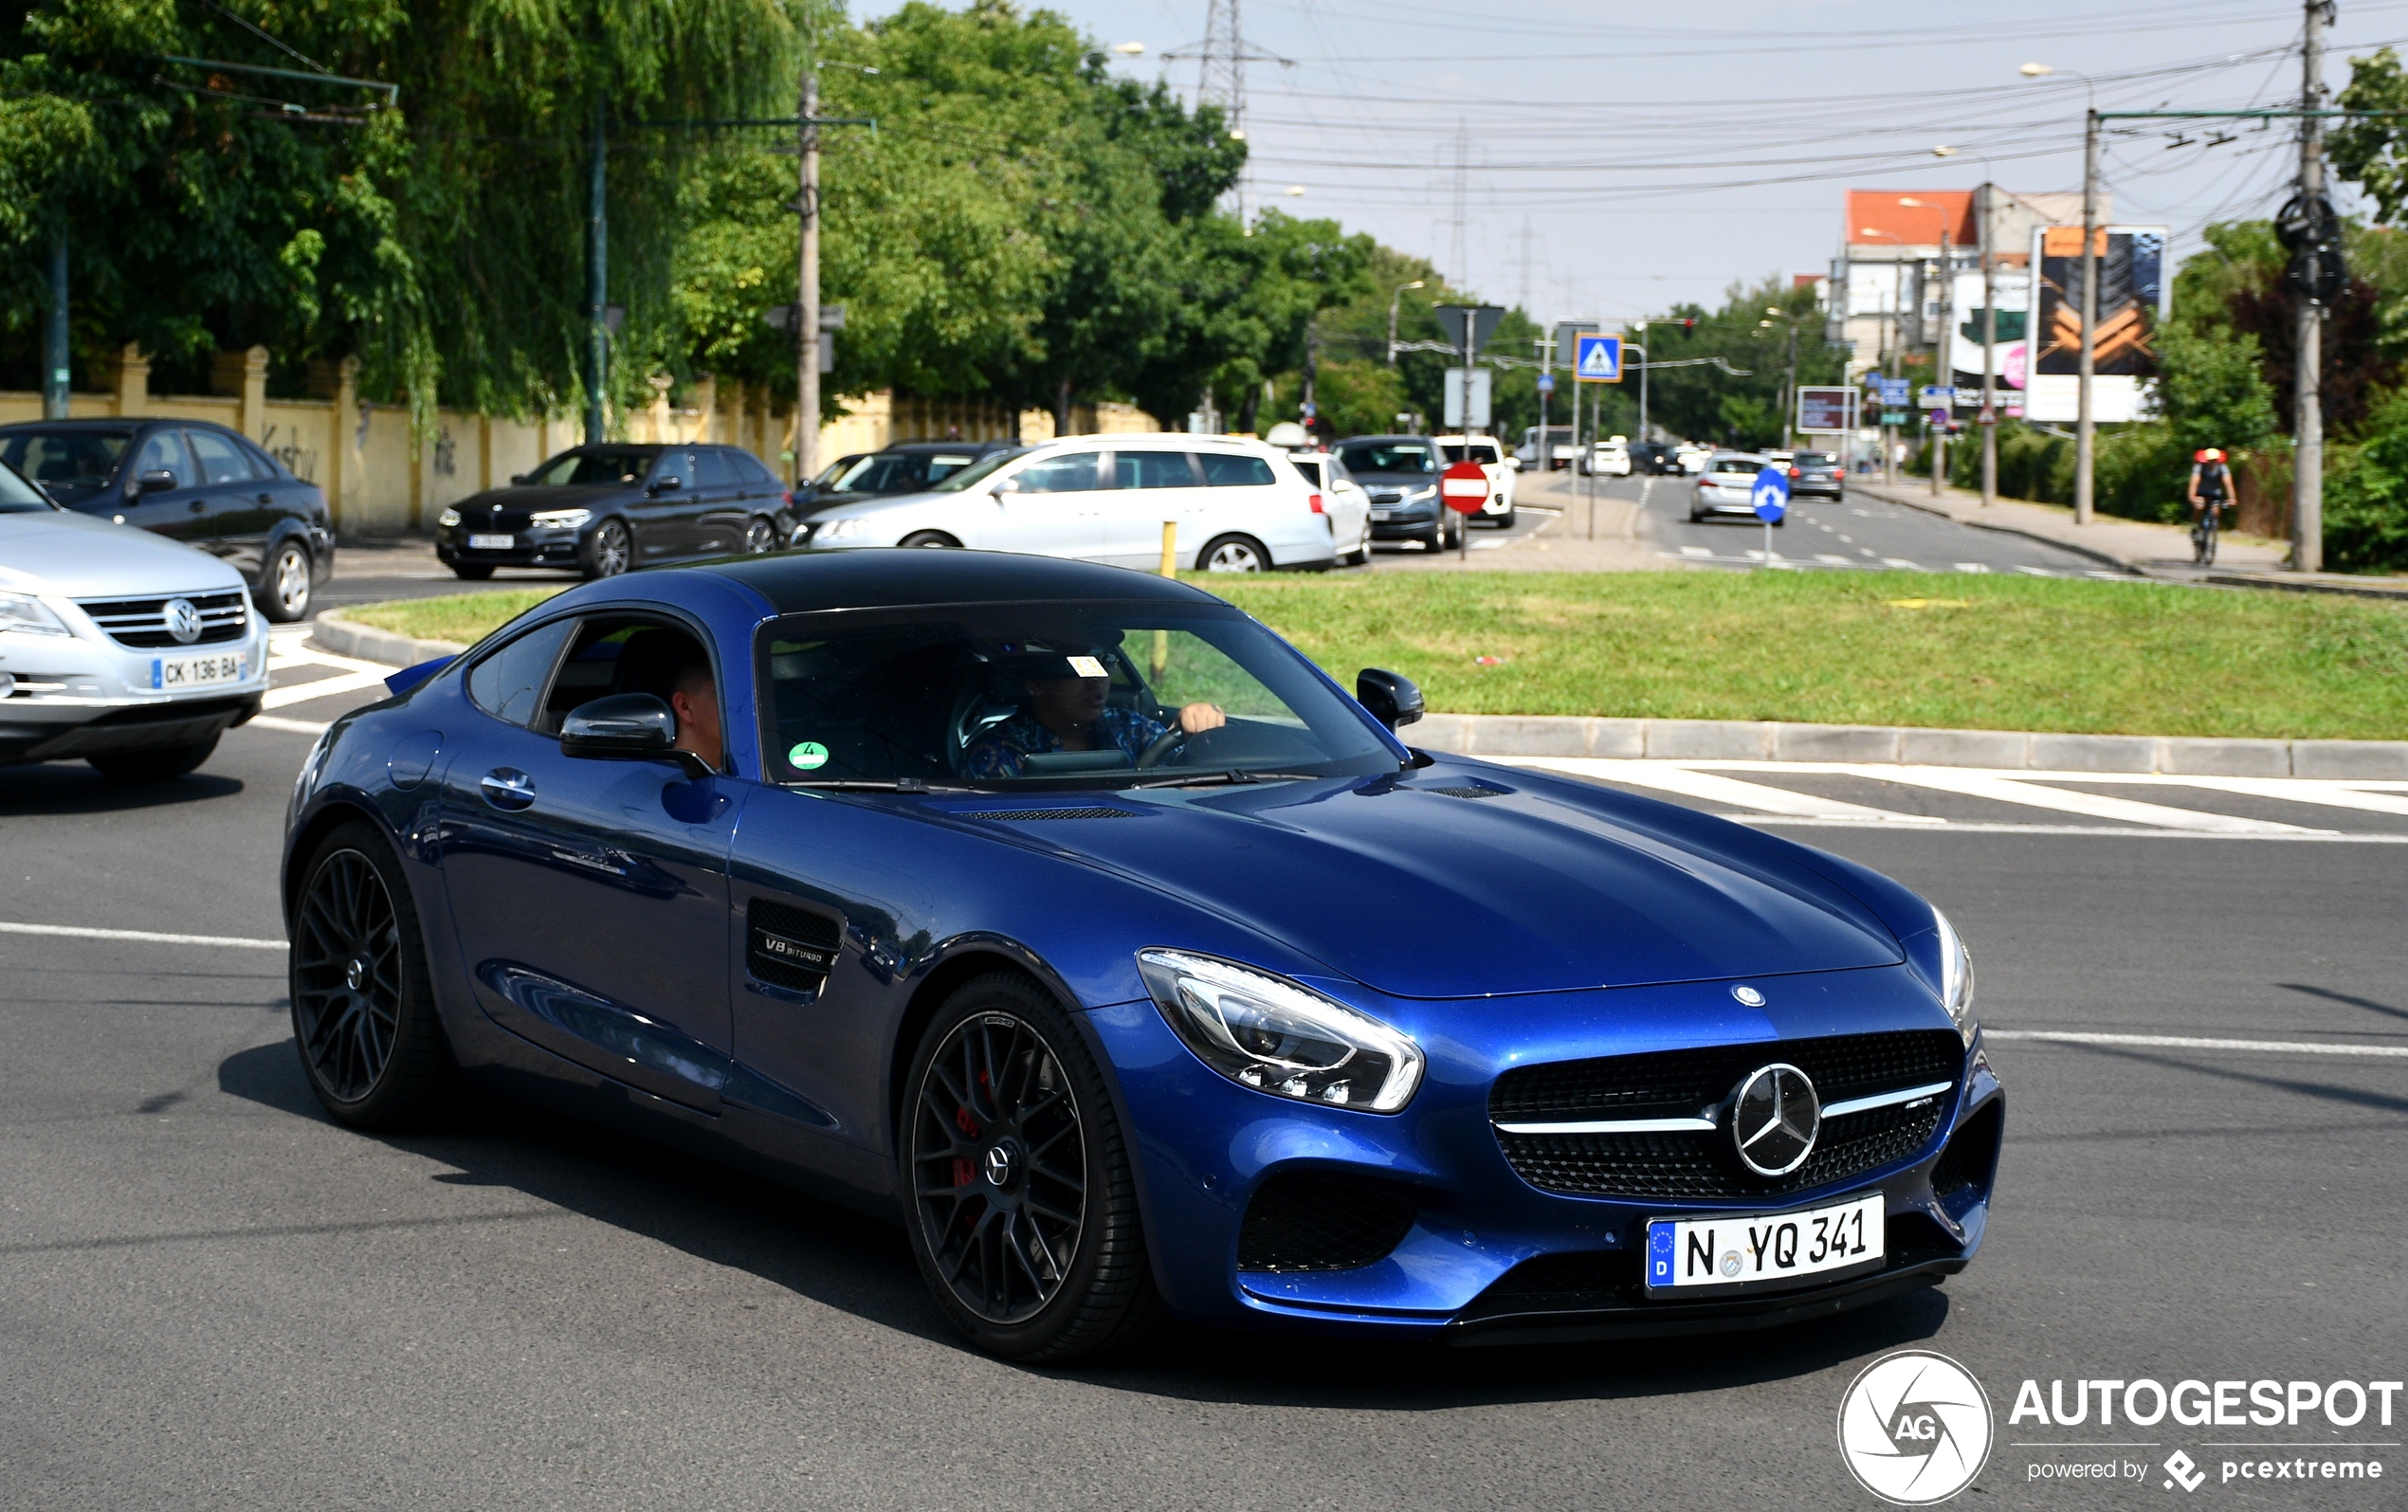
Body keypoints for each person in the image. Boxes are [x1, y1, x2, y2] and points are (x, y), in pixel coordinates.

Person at [964, 648, 1223, 778]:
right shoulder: (994, 754)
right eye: (1080, 670)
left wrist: (1196, 721)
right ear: (1036, 683)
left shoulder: (1128, 727)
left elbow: (1185, 769)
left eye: (1104, 666)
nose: (1097, 680)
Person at [666, 654, 722, 772]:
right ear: (685, 707)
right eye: (725, 697)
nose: (739, 708)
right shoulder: (663, 783)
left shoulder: (764, 768)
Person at [2188, 447, 2234, 524]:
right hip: (2201, 491)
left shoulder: (2223, 468)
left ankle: (2214, 529)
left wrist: (2232, 498)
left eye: (2214, 460)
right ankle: (2195, 525)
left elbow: (2228, 483)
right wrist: (2192, 497)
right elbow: (2194, 483)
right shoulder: (2199, 467)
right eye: (2210, 460)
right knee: (2199, 507)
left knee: (2215, 512)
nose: (2212, 462)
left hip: (2215, 492)